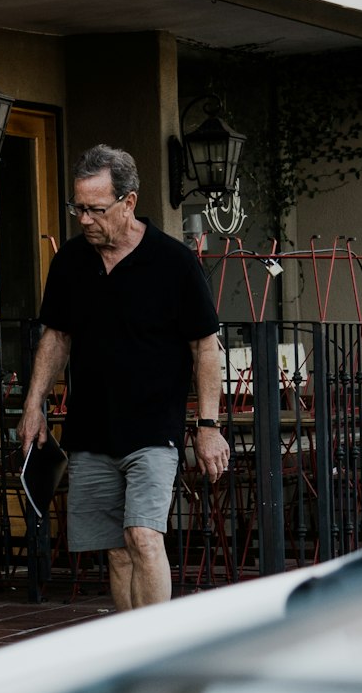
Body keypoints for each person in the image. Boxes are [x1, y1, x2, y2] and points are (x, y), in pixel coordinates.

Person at [18, 144, 230, 611]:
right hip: (91, 429)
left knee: (143, 535)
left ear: (128, 202)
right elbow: (56, 337)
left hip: (154, 428)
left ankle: (157, 654)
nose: (85, 219)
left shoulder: (174, 262)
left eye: (96, 209)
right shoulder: (71, 262)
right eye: (79, 208)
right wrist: (33, 403)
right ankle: (132, 655)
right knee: (116, 549)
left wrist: (209, 426)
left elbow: (205, 346)